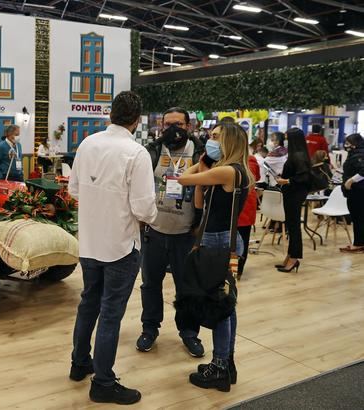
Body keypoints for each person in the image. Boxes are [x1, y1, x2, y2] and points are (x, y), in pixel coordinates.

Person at [68, 91, 158, 405]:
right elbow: (144, 208)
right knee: (110, 315)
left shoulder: (87, 144)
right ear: (137, 120)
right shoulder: (137, 153)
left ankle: (80, 363)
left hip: (90, 241)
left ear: (111, 114)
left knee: (88, 303)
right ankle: (103, 382)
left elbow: (74, 188)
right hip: (121, 245)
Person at [178, 121, 253, 392]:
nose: (211, 140)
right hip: (224, 240)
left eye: (216, 137)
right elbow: (199, 203)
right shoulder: (231, 172)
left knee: (219, 306)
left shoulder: (229, 171)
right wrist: (206, 168)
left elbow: (183, 178)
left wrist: (200, 163)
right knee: (227, 304)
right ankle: (226, 362)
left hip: (219, 243)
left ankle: (220, 366)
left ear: (230, 142)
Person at [137, 107, 206, 357]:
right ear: (161, 126)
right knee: (150, 285)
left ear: (188, 126)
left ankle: (189, 333)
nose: (173, 130)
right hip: (155, 231)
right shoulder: (152, 150)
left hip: (186, 233)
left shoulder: (200, 153)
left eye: (178, 124)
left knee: (186, 287)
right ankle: (149, 329)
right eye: (168, 125)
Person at [275, 128, 311, 273]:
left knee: (294, 226)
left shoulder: (299, 155)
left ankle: (294, 257)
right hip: (292, 193)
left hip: (295, 194)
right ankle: (290, 255)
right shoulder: (297, 154)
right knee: (291, 225)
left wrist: (287, 181)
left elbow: (304, 177)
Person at [237, 153, 260, 279]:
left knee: (240, 241)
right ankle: (236, 271)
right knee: (242, 240)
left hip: (243, 206)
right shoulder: (251, 159)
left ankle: (235, 271)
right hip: (244, 205)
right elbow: (257, 176)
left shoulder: (248, 160)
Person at [340, 133, 364, 253]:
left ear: (355, 144)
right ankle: (359, 242)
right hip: (356, 192)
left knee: (358, 217)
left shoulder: (360, 154)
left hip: (358, 192)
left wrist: (351, 180)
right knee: (358, 217)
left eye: (348, 143)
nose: (346, 145)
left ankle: (359, 244)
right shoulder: (355, 154)